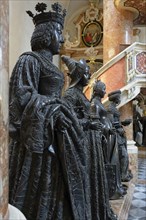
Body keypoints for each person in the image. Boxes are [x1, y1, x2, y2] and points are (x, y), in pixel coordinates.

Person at [9, 3, 91, 220]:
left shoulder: (50, 65)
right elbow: (21, 99)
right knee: (40, 185)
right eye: (58, 32)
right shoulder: (29, 60)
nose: (62, 39)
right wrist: (54, 109)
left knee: (55, 186)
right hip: (39, 141)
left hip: (57, 136)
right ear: (46, 34)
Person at [62, 55, 117, 220]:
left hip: (90, 141)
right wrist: (89, 124)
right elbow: (69, 123)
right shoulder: (70, 95)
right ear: (78, 75)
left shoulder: (80, 93)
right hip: (82, 142)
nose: (88, 77)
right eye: (86, 73)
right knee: (87, 178)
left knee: (94, 177)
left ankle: (97, 211)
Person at [90, 80, 127, 200]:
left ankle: (115, 187)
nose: (105, 91)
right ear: (97, 90)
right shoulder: (94, 104)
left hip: (109, 135)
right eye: (103, 88)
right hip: (104, 137)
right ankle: (110, 189)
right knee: (109, 162)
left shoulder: (99, 103)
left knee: (113, 161)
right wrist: (106, 130)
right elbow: (95, 123)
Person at [107, 90, 133, 182]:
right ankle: (122, 175)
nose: (120, 99)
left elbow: (116, 122)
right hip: (115, 136)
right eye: (119, 97)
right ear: (116, 98)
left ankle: (123, 174)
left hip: (119, 135)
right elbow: (110, 123)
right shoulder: (110, 108)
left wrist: (123, 123)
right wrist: (119, 128)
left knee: (123, 155)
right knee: (123, 155)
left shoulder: (114, 108)